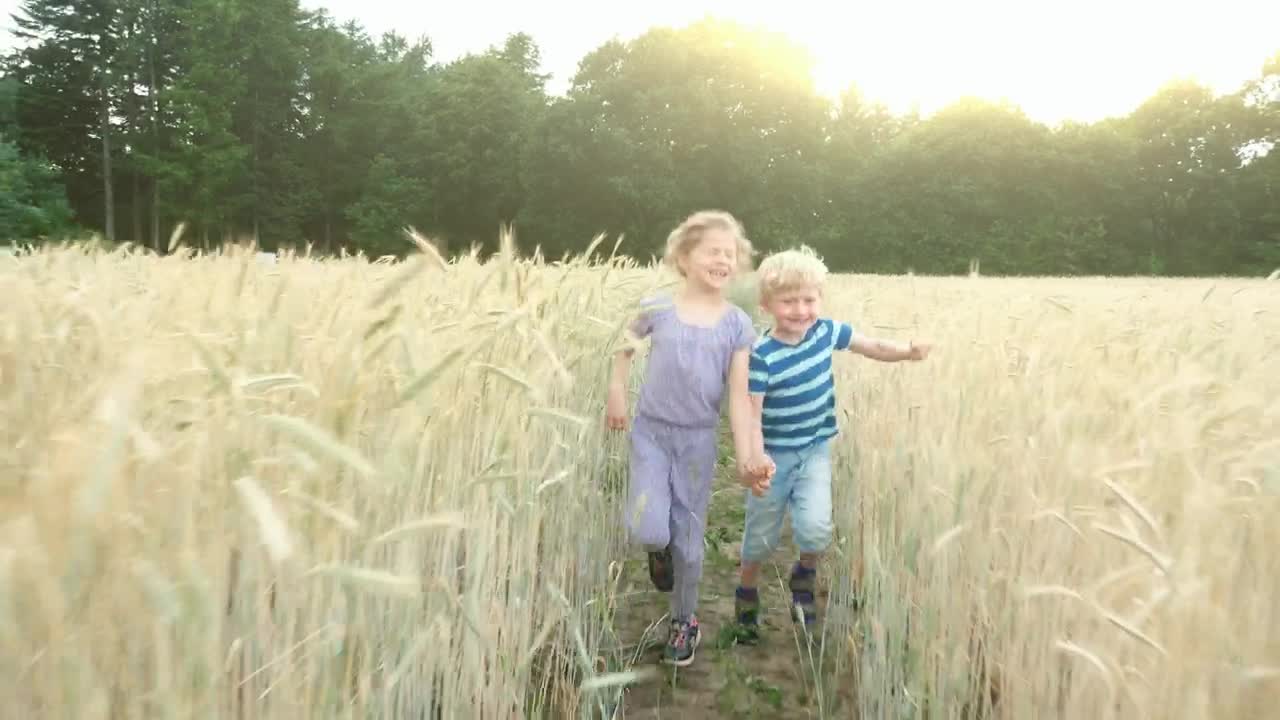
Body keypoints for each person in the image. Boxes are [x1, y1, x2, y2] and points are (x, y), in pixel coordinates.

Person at [734, 245, 931, 640]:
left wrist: (907, 353)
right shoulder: (761, 354)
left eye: (809, 299)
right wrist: (753, 458)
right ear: (767, 304)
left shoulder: (827, 332)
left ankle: (804, 576)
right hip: (773, 457)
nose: (801, 310)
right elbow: (751, 414)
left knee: (817, 528)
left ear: (820, 300)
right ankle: (747, 588)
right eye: (789, 301)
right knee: (760, 535)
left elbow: (871, 345)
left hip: (814, 452)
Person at [605, 209, 764, 666]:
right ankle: (658, 553)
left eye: (730, 254)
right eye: (713, 251)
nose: (723, 260)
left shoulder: (737, 324)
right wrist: (617, 391)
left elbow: (738, 396)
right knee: (648, 526)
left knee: (690, 542)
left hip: (697, 441)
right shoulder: (657, 307)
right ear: (684, 256)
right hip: (650, 434)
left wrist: (746, 454)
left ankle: (684, 620)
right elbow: (623, 347)